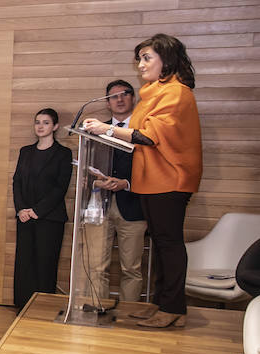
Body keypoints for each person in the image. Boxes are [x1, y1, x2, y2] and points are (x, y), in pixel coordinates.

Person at [83, 34, 201, 329]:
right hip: (151, 181)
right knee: (160, 245)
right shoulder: (154, 93)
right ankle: (163, 304)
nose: (141, 64)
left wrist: (105, 130)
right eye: (140, 58)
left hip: (170, 180)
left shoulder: (176, 92)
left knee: (169, 244)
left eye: (147, 58)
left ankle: (174, 307)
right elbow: (136, 137)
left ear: (167, 60)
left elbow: (148, 136)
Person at [81, 80, 147, 308]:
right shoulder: (96, 130)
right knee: (96, 265)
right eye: (114, 96)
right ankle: (98, 307)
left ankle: (129, 314)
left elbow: (152, 169)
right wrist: (93, 178)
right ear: (107, 103)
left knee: (132, 268)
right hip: (100, 203)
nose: (119, 99)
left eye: (124, 95)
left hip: (134, 205)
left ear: (132, 98)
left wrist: (126, 183)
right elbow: (88, 162)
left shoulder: (143, 131)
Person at [11, 108, 73, 309]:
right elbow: (17, 181)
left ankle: (44, 306)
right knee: (24, 262)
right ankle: (22, 305)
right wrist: (22, 209)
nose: (40, 126)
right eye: (37, 122)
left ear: (55, 126)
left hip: (49, 218)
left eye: (46, 122)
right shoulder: (25, 151)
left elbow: (60, 187)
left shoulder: (63, 153)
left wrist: (37, 211)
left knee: (46, 262)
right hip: (24, 217)